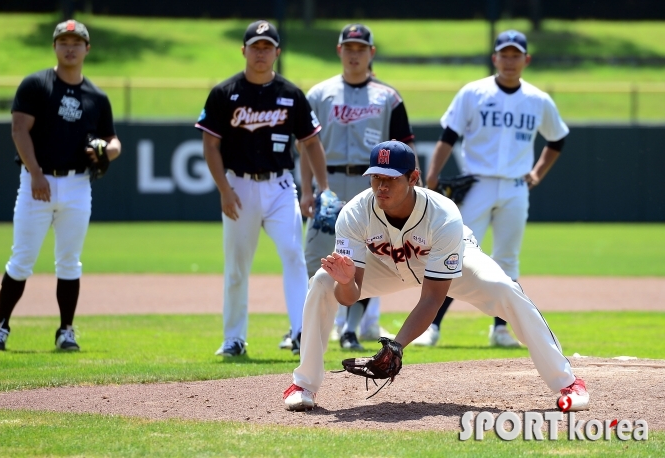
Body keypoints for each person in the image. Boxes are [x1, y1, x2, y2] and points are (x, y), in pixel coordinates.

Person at [282, 141, 588, 413]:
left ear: (414, 178)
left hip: (451, 258)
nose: (381, 187)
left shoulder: (443, 214)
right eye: (376, 177)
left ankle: (568, 383)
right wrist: (347, 282)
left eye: (390, 179)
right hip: (387, 264)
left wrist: (397, 345)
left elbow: (432, 297)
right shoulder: (354, 213)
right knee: (323, 282)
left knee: (504, 289)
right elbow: (347, 297)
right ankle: (304, 385)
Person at [419, 30, 568, 348]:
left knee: (507, 259)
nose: (510, 61)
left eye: (517, 55)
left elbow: (557, 139)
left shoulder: (538, 99)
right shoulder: (473, 92)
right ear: (495, 58)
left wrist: (538, 172)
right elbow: (448, 136)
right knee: (455, 252)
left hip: (516, 187)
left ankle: (501, 329)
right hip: (477, 184)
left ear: (526, 59)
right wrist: (432, 177)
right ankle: (432, 325)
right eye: (505, 54)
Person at [0, 20, 122, 352]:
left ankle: (66, 331)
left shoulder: (96, 97)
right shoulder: (36, 85)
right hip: (38, 181)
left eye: (77, 41)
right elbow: (19, 130)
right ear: (55, 46)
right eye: (64, 41)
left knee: (69, 261)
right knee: (22, 259)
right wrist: (34, 173)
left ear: (87, 48)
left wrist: (109, 151)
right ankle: (0, 327)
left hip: (77, 184)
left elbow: (112, 139)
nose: (70, 47)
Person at [195, 20, 330, 357]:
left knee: (293, 256)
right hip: (239, 185)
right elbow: (210, 145)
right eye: (255, 46)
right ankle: (234, 338)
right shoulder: (225, 93)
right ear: (243, 50)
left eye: (267, 46)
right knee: (237, 266)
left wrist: (322, 187)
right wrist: (224, 189)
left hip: (281, 187)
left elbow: (311, 143)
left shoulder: (290, 94)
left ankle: (301, 332)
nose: (260, 52)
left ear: (277, 52)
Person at [295, 23, 417, 351]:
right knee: (314, 255)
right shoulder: (319, 94)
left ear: (371, 53)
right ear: (339, 51)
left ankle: (350, 328)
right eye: (349, 48)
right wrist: (307, 189)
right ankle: (312, 325)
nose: (354, 54)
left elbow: (406, 146)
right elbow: (307, 145)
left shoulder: (387, 97)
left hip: (374, 185)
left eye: (361, 49)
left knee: (371, 256)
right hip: (329, 182)